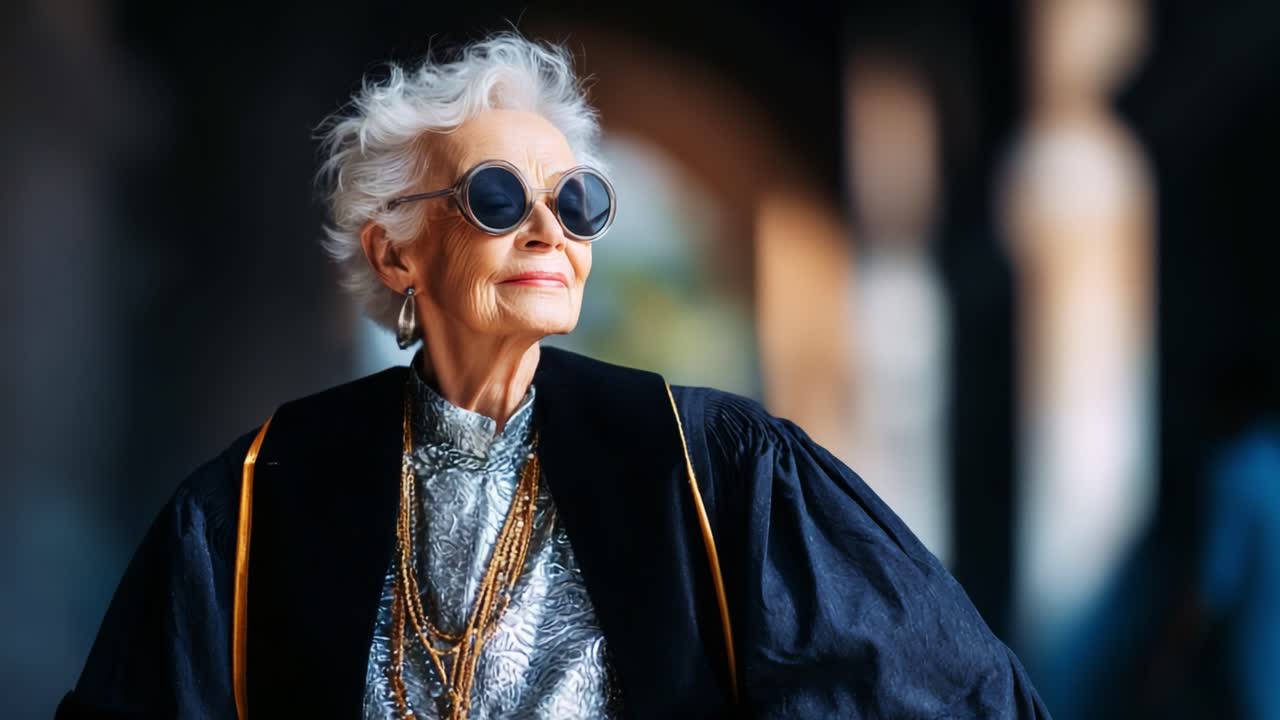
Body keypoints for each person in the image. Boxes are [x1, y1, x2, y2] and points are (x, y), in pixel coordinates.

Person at [57, 33, 1049, 719]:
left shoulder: (715, 471)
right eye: (496, 198)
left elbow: (951, 694)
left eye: (575, 201)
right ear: (394, 251)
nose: (549, 230)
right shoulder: (248, 505)